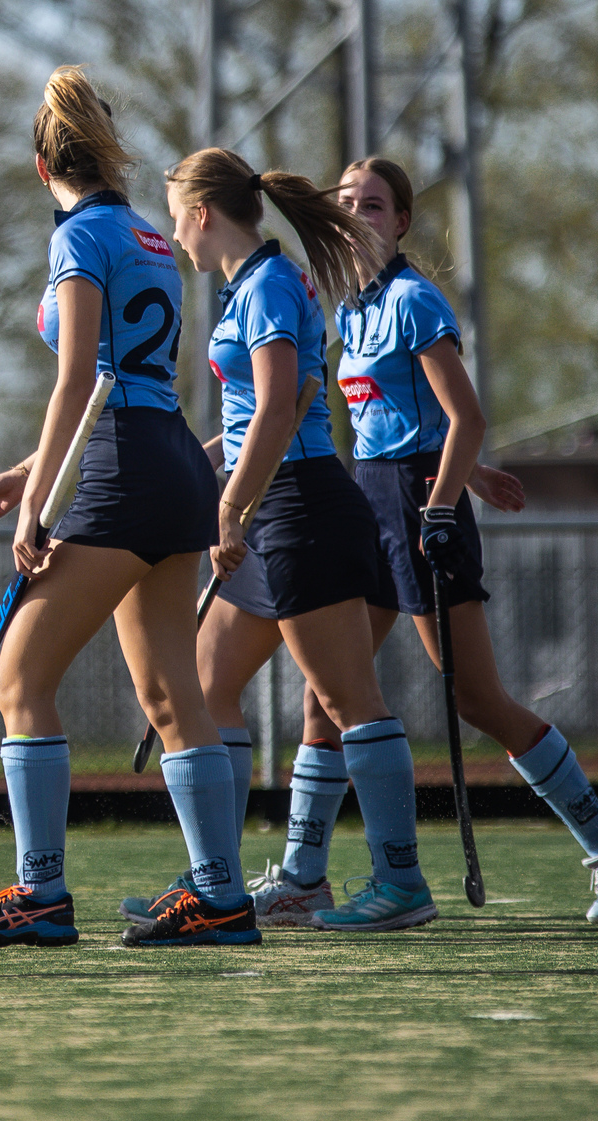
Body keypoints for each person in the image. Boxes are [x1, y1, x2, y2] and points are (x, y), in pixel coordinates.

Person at [225, 155, 598, 927]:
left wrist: (449, 495)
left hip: (421, 509)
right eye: (347, 201)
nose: (358, 214)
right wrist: (477, 475)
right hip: (372, 498)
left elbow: (466, 417)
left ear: (400, 222)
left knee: (475, 696)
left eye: (374, 204)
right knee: (323, 697)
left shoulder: (414, 302)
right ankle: (302, 876)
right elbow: (403, 423)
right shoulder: (350, 309)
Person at [0, 70, 253, 949]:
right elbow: (128, 386)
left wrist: (33, 505)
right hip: (167, 465)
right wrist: (25, 474)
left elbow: (79, 378)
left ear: (41, 166)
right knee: (169, 691)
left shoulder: (77, 237)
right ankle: (221, 897)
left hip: (121, 471)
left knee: (19, 679)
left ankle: (40, 895)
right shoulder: (153, 236)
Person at [155, 148, 439, 932]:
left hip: (303, 506)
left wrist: (229, 510)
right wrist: (197, 469)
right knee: (207, 687)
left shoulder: (272, 284)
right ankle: (218, 880)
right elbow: (252, 421)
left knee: (349, 702)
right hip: (272, 505)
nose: (174, 232)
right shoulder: (250, 286)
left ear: (203, 214)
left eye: (176, 213)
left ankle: (402, 884)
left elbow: (280, 413)